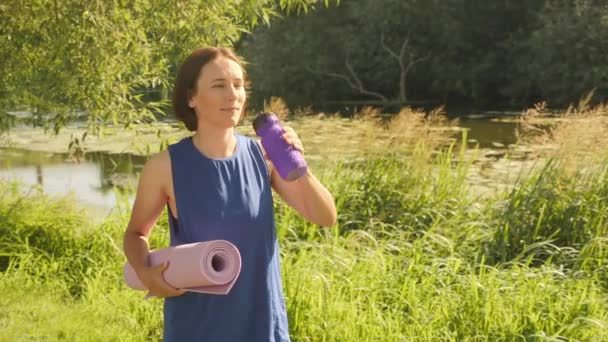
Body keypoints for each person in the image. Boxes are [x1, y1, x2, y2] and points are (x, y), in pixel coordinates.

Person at [123, 46, 337, 342]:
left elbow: (325, 217)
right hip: (197, 327)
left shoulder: (264, 156)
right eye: (219, 85)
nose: (233, 95)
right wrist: (146, 273)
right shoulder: (164, 166)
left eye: (238, 85)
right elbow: (135, 234)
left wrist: (298, 163)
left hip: (262, 324)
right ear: (191, 97)